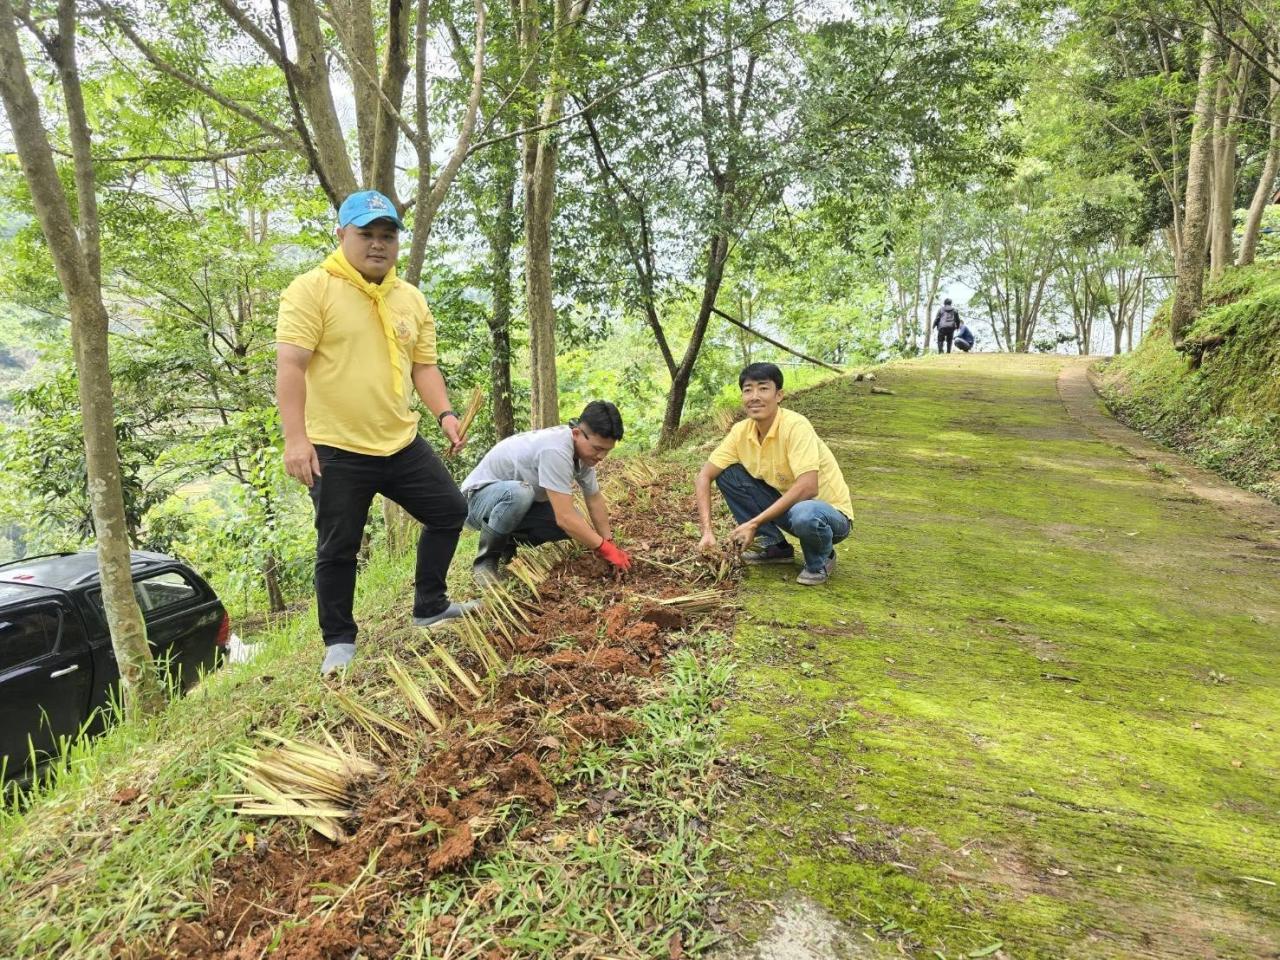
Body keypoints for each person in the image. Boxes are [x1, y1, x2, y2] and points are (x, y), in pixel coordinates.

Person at [276, 190, 477, 677]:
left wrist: (445, 414)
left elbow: (423, 366)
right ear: (341, 234)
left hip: (400, 441)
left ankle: (430, 605)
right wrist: (296, 440)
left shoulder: (409, 297)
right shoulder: (311, 289)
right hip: (336, 447)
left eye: (387, 235)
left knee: (449, 511)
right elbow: (291, 365)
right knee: (338, 546)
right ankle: (339, 641)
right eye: (366, 233)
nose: (378, 244)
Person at [695, 363, 853, 586]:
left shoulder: (795, 426)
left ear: (779, 395)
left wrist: (753, 523)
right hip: (791, 509)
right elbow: (704, 476)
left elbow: (809, 487)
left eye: (763, 388)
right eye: (748, 390)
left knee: (805, 512)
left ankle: (821, 558)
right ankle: (774, 547)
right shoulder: (741, 431)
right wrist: (707, 532)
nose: (754, 397)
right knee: (729, 474)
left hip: (828, 517)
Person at [460, 401, 631, 584]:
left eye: (607, 450)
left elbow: (594, 498)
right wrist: (604, 549)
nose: (601, 457)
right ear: (576, 434)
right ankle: (486, 562)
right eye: (598, 449)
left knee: (577, 523)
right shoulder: (555, 449)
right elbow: (564, 517)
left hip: (512, 502)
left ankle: (506, 545)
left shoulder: (584, 455)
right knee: (521, 494)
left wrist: (608, 541)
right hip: (475, 502)